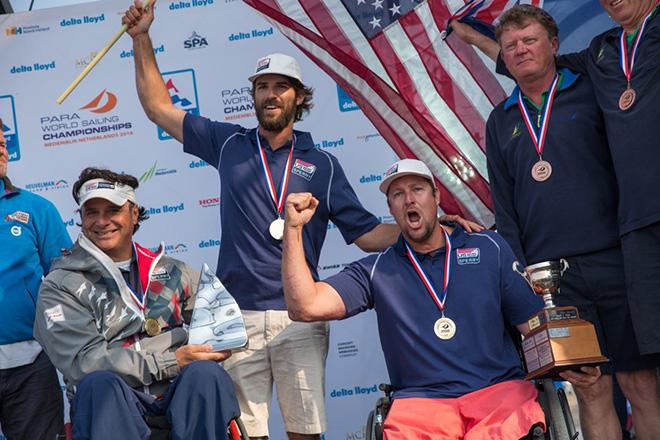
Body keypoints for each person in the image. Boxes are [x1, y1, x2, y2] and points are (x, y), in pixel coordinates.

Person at [121, 2, 482, 438]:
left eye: (281, 87)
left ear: (299, 97)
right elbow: (159, 108)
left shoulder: (324, 165)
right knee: (243, 433)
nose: (271, 95)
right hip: (236, 318)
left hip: (300, 317)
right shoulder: (228, 144)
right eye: (262, 87)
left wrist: (433, 226)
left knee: (305, 433)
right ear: (253, 96)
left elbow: (366, 235)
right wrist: (141, 38)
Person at [451, 5, 660, 439]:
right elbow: (505, 210)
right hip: (553, 280)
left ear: (554, 45)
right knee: (590, 388)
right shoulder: (499, 119)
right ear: (503, 59)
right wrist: (521, 282)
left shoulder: (592, 88)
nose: (520, 51)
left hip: (619, 261)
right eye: (510, 46)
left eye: (529, 41)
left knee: (640, 381)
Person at [281, 158, 548, 439]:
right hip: (420, 407)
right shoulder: (377, 270)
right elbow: (305, 307)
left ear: (436, 197)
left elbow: (534, 325)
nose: (408, 200)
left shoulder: (489, 248)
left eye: (417, 189)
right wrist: (294, 230)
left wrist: (570, 365)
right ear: (390, 209)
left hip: (497, 393)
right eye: (397, 194)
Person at [33, 167, 240, 440]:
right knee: (98, 384)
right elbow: (84, 364)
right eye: (91, 212)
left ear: (133, 213)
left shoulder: (170, 270)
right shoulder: (61, 284)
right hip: (116, 400)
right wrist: (170, 361)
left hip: (176, 393)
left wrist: (215, 344)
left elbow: (226, 326)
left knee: (206, 374)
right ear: (81, 219)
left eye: (112, 210)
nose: (102, 221)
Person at [0, 118, 72, 440]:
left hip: (30, 365)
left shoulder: (37, 209)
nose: (2, 151)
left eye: (2, 144)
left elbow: (69, 282)